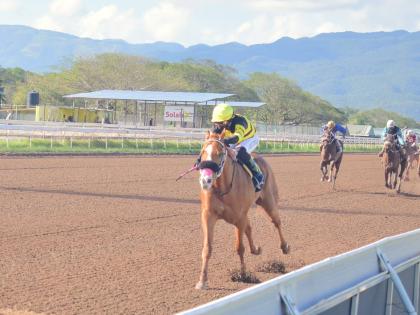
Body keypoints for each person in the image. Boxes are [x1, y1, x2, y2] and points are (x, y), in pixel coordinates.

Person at [197, 103, 264, 192]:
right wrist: (199, 160)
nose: (217, 125)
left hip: (248, 139)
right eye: (215, 122)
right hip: (232, 139)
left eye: (219, 123)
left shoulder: (240, 122)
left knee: (240, 151)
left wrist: (224, 142)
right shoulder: (220, 125)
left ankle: (258, 175)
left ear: (226, 121)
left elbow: (237, 138)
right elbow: (209, 143)